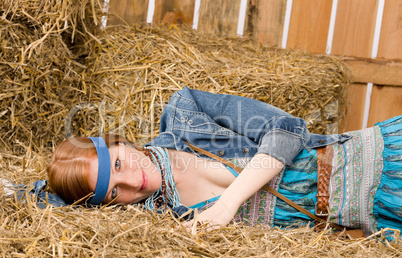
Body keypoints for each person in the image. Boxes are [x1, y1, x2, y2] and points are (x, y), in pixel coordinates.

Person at [47, 86, 402, 239]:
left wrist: (227, 205)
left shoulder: (186, 113)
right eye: (112, 193)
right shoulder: (155, 223)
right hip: (379, 214)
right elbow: (46, 206)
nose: (131, 184)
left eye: (119, 165)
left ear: (120, 141)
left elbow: (288, 129)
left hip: (383, 161)